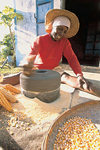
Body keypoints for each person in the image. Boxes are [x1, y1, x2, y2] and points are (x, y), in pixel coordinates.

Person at [20, 9, 90, 90]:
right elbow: (31, 55)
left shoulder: (65, 42)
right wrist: (27, 64)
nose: (61, 34)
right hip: (38, 69)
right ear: (52, 26)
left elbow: (72, 58)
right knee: (23, 77)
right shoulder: (40, 39)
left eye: (64, 31)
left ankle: (84, 85)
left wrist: (79, 74)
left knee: (66, 78)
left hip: (54, 69)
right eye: (60, 29)